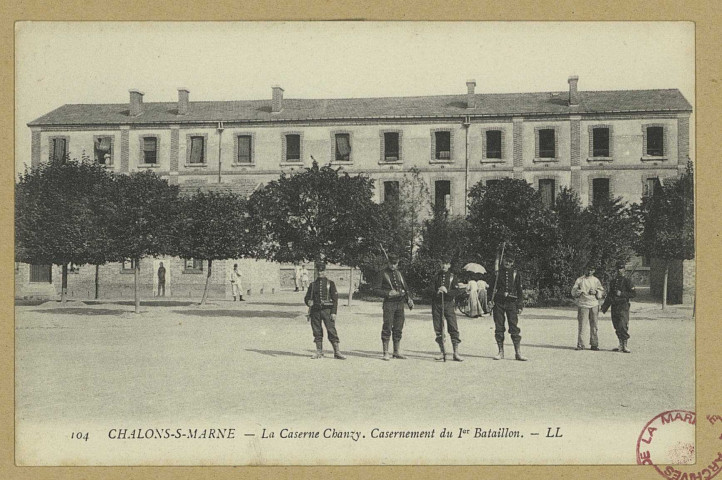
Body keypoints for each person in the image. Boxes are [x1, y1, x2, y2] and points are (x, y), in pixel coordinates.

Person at [375, 253, 413, 361]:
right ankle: (385, 352)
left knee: (398, 327)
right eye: (391, 263)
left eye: (395, 263)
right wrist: (387, 293)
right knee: (387, 326)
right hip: (389, 304)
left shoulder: (399, 274)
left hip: (400, 304)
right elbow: (375, 290)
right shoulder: (382, 273)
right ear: (388, 263)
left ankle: (396, 352)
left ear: (397, 263)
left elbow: (405, 288)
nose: (393, 266)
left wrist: (409, 299)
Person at [489, 253, 527, 361]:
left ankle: (518, 352)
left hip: (511, 303)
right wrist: (489, 301)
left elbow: (519, 291)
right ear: (503, 260)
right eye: (506, 260)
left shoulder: (515, 274)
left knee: (514, 327)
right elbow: (490, 289)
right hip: (499, 303)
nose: (508, 263)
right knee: (499, 326)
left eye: (510, 261)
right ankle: (500, 352)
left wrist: (519, 305)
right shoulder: (497, 274)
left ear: (513, 262)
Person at [304, 261, 345, 360]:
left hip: (327, 311)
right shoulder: (313, 285)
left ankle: (337, 352)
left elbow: (335, 299)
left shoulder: (330, 284)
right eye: (319, 271)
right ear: (316, 272)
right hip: (315, 312)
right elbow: (307, 298)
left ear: (325, 271)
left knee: (331, 330)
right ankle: (319, 352)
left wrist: (334, 312)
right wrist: (308, 302)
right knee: (317, 331)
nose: (320, 273)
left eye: (322, 271)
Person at [431, 255, 464, 362]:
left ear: (449, 265)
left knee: (453, 326)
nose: (444, 265)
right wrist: (437, 291)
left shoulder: (452, 277)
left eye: (446, 263)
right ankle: (442, 352)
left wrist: (447, 292)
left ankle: (456, 353)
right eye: (442, 263)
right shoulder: (436, 277)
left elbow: (457, 291)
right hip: (437, 305)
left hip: (448, 304)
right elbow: (428, 291)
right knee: (438, 328)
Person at [601, 261, 636, 353]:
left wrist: (622, 294)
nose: (619, 270)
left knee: (623, 325)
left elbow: (633, 294)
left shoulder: (627, 281)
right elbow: (610, 295)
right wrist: (604, 306)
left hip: (623, 306)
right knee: (616, 325)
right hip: (614, 306)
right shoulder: (613, 281)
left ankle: (625, 345)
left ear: (624, 269)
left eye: (621, 268)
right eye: (618, 268)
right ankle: (620, 344)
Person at [571, 266, 605, 351]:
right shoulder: (579, 280)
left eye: (591, 270)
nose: (589, 271)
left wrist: (596, 292)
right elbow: (573, 292)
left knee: (594, 325)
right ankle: (580, 344)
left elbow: (601, 291)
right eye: (588, 269)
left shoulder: (596, 280)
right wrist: (577, 293)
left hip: (594, 304)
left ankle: (594, 344)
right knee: (582, 325)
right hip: (583, 305)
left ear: (593, 271)